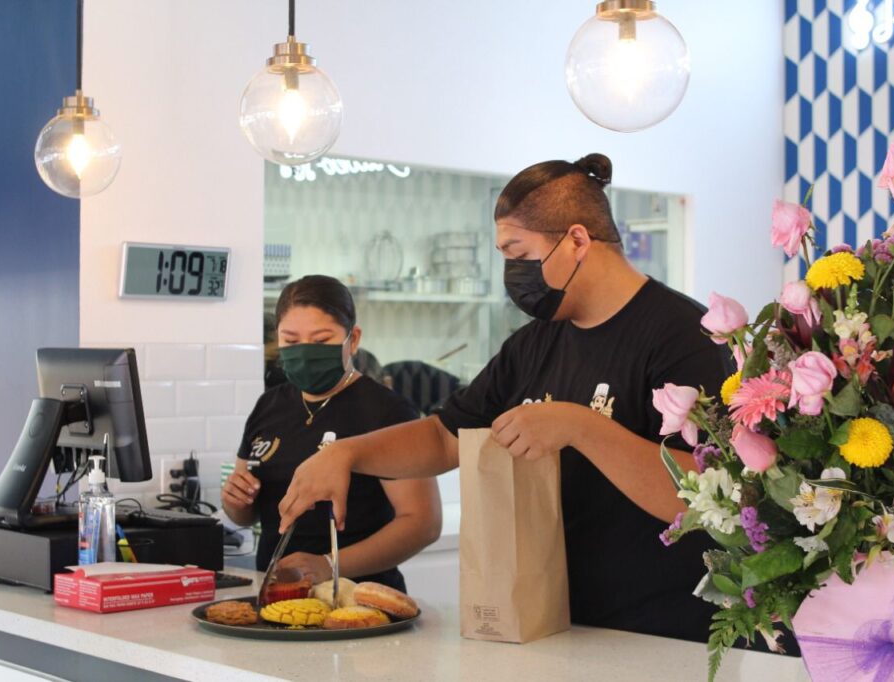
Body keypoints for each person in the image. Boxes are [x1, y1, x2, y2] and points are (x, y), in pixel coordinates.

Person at [277, 154, 729, 642]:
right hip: (552, 620)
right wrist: (348, 453)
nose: (512, 273)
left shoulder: (685, 336)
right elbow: (444, 438)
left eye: (518, 254)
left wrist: (580, 426)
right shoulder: (535, 343)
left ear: (577, 240)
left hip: (663, 633)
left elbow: (712, 496)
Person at [223, 275, 442, 591]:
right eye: (292, 341)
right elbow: (245, 514)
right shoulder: (270, 404)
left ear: (352, 339)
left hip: (361, 604)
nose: (305, 352)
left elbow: (422, 523)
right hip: (278, 597)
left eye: (321, 340)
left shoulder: (387, 411)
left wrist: (330, 564)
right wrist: (236, 501)